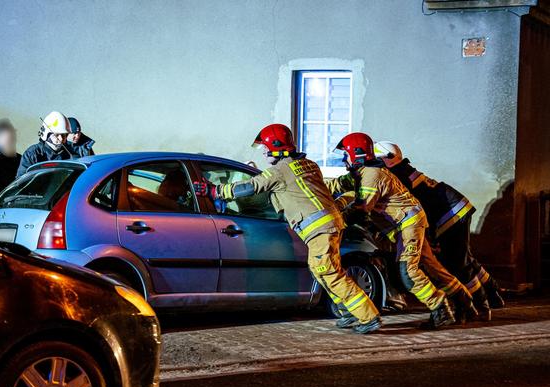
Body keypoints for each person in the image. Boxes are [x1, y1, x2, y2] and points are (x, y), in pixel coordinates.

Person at [195, 124, 382, 334]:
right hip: (329, 224)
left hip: (319, 229)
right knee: (321, 269)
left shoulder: (279, 171)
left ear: (276, 147)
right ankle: (349, 312)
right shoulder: (307, 164)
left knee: (327, 271)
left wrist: (215, 191)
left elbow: (250, 187)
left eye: (265, 147)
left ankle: (368, 316)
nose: (264, 152)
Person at [326, 133, 474, 329]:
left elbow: (361, 210)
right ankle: (464, 302)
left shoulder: (372, 175)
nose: (344, 159)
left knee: (408, 272)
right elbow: (336, 185)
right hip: (407, 225)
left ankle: (440, 309)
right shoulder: (362, 173)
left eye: (346, 155)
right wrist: (313, 187)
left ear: (357, 155)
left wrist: (336, 217)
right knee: (432, 267)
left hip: (407, 226)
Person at [373, 141, 505, 319]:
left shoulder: (398, 176)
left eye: (377, 160)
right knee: (464, 258)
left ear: (387, 159)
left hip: (451, 215)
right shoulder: (403, 170)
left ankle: (480, 306)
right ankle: (492, 293)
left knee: (457, 263)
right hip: (455, 209)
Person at [16, 111, 91, 178]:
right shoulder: (33, 154)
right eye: (57, 135)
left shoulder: (72, 153)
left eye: (64, 135)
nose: (61, 139)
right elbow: (21, 182)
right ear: (46, 134)